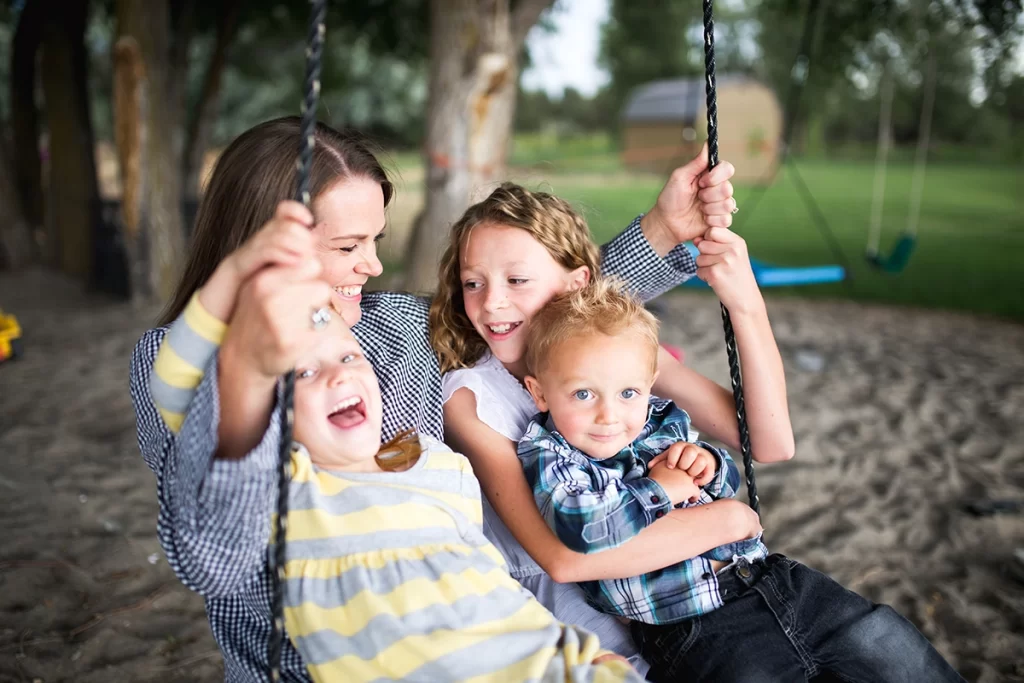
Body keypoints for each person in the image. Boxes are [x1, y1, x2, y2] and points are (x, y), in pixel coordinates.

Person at [129, 115, 743, 680]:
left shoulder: (395, 324)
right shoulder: (182, 362)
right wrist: (246, 373)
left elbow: (537, 313)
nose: (371, 265)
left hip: (478, 631)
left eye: (376, 239)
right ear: (263, 247)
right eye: (348, 246)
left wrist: (663, 232)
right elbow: (220, 565)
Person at [149, 231, 644, 681]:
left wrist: (579, 651)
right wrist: (236, 273)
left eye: (348, 357)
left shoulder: (435, 464)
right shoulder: (292, 488)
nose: (339, 376)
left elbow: (485, 578)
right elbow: (178, 386)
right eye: (301, 374)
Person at [516, 278, 967, 683]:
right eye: (582, 394)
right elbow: (584, 527)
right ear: (539, 393)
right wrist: (663, 489)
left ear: (650, 385)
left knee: (893, 647)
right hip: (693, 630)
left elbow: (723, 481)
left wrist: (706, 464)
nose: (609, 414)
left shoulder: (658, 419)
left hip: (775, 581)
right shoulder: (551, 453)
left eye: (628, 393)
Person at [433, 183, 787, 672]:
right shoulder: (473, 399)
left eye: (517, 280)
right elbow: (563, 561)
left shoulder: (616, 357)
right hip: (566, 604)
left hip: (674, 589)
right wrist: (728, 521)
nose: (491, 304)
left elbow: (769, 442)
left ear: (577, 284)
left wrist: (746, 305)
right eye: (474, 283)